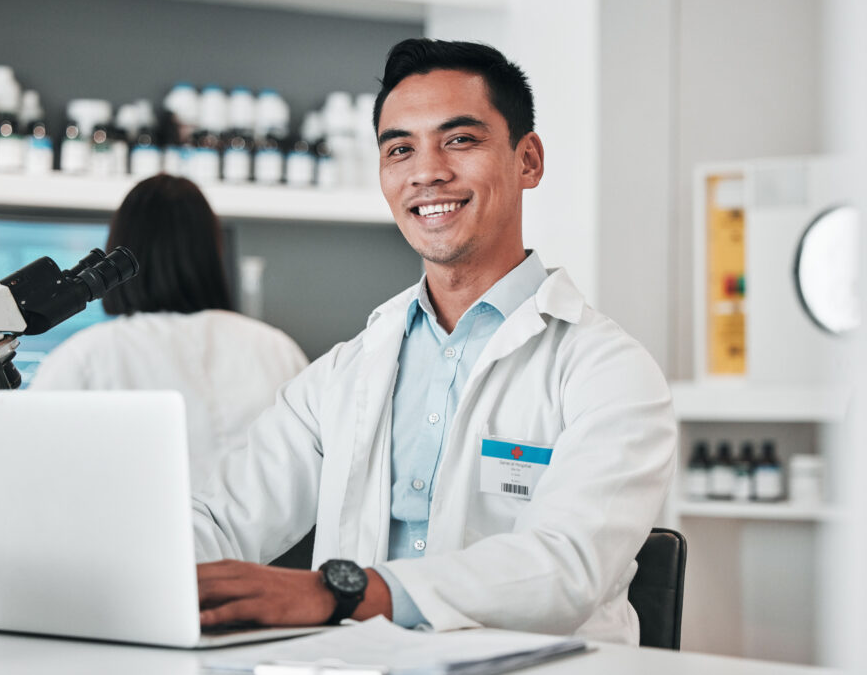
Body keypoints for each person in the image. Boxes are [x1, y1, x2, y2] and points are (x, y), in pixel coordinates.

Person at [191, 39, 677, 644]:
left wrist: (341, 593)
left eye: (460, 140)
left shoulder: (607, 371)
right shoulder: (346, 372)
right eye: (400, 149)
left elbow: (565, 565)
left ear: (528, 160)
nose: (427, 172)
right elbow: (221, 518)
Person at [31, 174, 309, 490]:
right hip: (262, 541)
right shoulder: (277, 349)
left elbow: (31, 470)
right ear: (211, 253)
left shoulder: (85, 356)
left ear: (116, 255)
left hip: (127, 537)